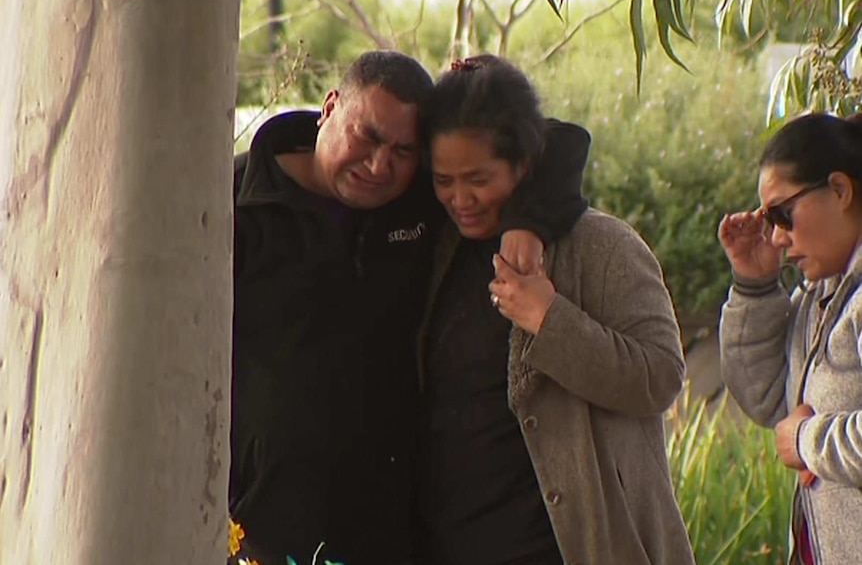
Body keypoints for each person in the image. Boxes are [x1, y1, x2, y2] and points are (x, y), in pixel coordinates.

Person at [229, 51, 586, 565]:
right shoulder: (230, 206)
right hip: (263, 531)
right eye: (367, 137)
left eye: (402, 150)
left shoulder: (421, 196)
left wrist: (527, 225)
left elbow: (559, 143)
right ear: (329, 108)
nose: (380, 166)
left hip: (393, 532)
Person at [414, 55, 695, 565]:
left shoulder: (603, 247)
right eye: (443, 181)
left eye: (478, 178)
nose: (460, 199)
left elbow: (660, 378)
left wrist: (551, 321)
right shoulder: (432, 249)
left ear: (524, 164)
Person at [718, 113, 862, 565]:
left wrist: (806, 440)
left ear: (840, 190)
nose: (777, 237)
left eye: (783, 213)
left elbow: (792, 430)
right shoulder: (823, 293)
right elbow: (766, 399)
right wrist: (754, 285)